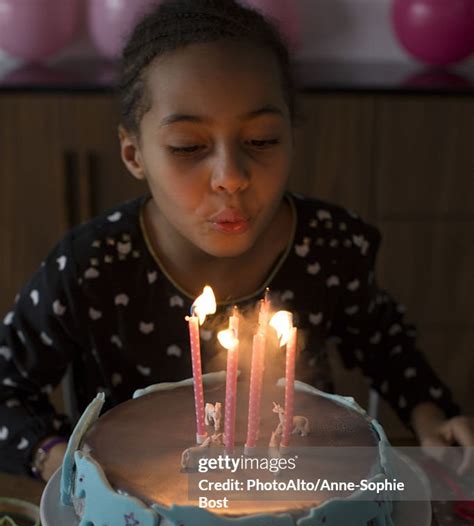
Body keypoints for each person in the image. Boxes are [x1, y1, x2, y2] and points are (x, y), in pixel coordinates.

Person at [0, 0, 472, 483]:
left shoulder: (327, 247)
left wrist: (431, 418)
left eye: (262, 139)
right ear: (133, 153)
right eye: (188, 147)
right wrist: (55, 455)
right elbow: (6, 388)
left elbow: (387, 348)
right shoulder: (92, 266)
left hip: (294, 499)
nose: (231, 177)